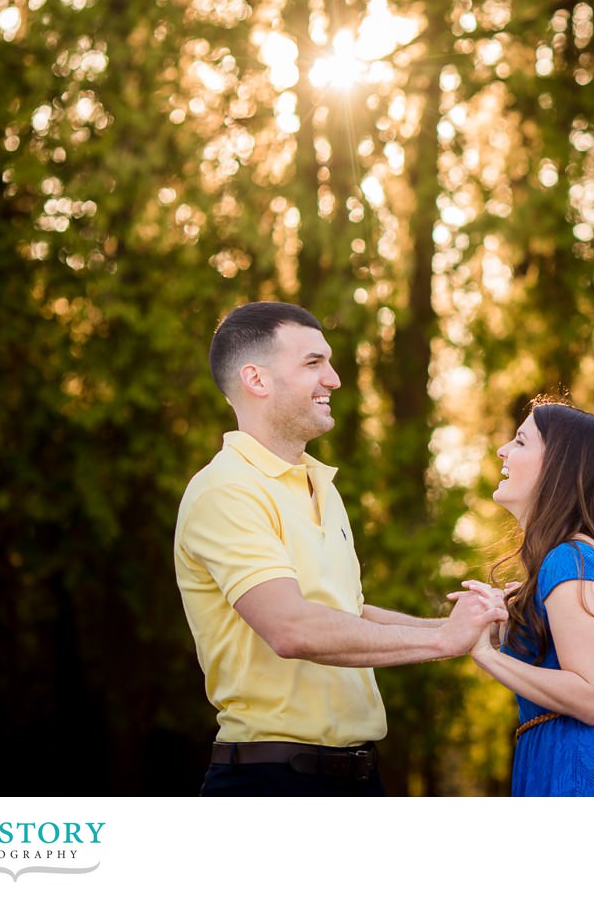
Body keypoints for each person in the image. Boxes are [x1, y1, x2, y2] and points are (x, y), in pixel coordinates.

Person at [175, 301, 503, 796]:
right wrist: (440, 643)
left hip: (359, 776)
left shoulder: (322, 487)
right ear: (256, 380)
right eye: (313, 363)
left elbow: (344, 613)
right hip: (273, 783)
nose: (334, 379)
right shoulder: (226, 490)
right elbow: (291, 627)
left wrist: (459, 627)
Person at [455, 398, 594, 796]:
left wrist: (485, 653)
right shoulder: (582, 558)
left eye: (520, 442)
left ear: (559, 467)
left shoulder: (569, 560)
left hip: (582, 771)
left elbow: (589, 696)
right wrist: (512, 627)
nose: (502, 450)